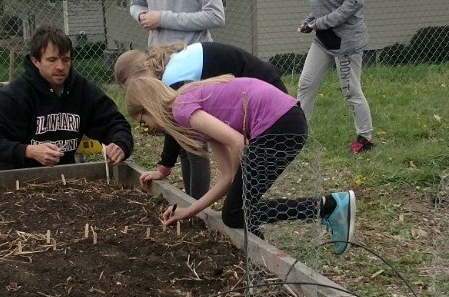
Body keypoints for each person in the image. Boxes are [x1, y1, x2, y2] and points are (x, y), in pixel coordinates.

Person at [121, 74, 357, 254]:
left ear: (148, 107)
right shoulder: (188, 103)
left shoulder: (182, 110)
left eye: (143, 121)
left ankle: (330, 206)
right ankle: (259, 252)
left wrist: (237, 185)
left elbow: (238, 143)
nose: (149, 128)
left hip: (278, 124)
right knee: (237, 209)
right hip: (284, 120)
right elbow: (227, 177)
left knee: (234, 213)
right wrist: (188, 211)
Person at [113, 41, 285, 198]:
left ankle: (201, 204)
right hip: (252, 98)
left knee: (196, 149)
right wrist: (164, 167)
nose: (139, 90)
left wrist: (235, 181)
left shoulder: (173, 79)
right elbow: (174, 128)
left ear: (146, 66)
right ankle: (200, 202)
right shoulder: (169, 70)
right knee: (190, 145)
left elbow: (178, 130)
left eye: (138, 83)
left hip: (266, 97)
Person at [0, 27, 135, 171]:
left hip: (62, 175)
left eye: (65, 60)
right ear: (35, 61)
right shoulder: (15, 95)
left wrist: (120, 144)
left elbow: (114, 123)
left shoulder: (82, 90)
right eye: (52, 60)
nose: (60, 66)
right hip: (15, 175)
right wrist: (28, 151)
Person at [299, 0, 377, 154]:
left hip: (346, 42)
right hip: (323, 40)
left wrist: (320, 23)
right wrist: (310, 20)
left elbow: (355, 2)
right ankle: (296, 134)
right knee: (305, 84)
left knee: (351, 90)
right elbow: (324, 3)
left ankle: (366, 138)